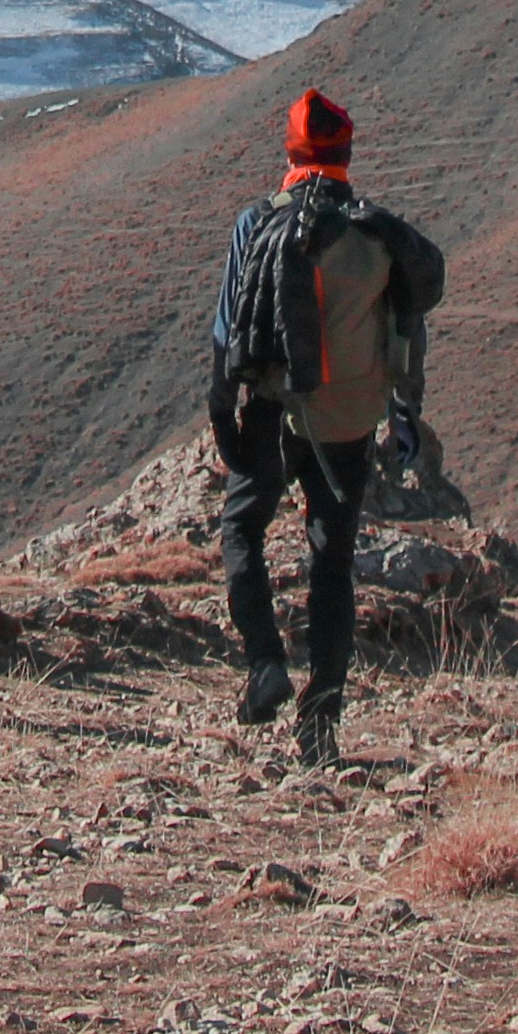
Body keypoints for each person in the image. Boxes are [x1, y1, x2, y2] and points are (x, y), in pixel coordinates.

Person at [207, 85, 440, 760]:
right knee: (331, 562)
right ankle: (321, 723)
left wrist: (225, 413)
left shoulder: (258, 223)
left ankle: (264, 666)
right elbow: (404, 329)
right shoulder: (377, 233)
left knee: (241, 528)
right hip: (347, 421)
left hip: (274, 411)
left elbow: (227, 332)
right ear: (345, 153)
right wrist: (402, 416)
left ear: (291, 150)